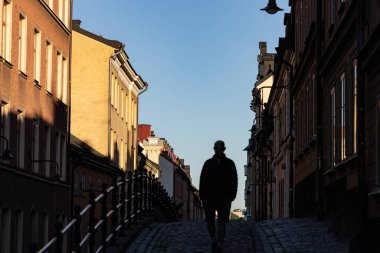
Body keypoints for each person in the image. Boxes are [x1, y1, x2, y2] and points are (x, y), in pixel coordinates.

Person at [199, 140, 238, 253]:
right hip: (209, 197)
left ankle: (219, 242)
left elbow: (234, 180)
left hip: (224, 197)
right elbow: (202, 180)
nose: (218, 150)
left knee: (222, 221)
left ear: (224, 149)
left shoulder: (230, 163)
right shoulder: (208, 163)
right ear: (214, 149)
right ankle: (213, 239)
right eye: (216, 148)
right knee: (210, 221)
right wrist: (203, 197)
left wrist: (231, 196)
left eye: (220, 148)